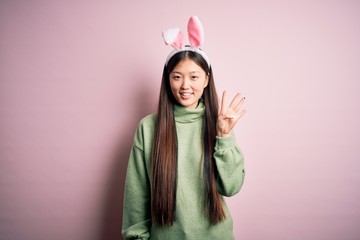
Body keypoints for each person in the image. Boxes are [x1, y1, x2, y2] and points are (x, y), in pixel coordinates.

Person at [122, 16, 247, 240]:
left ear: (206, 80)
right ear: (168, 80)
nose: (185, 86)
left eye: (194, 76)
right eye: (177, 77)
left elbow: (232, 187)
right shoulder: (148, 128)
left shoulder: (219, 123)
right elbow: (137, 195)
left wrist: (224, 137)